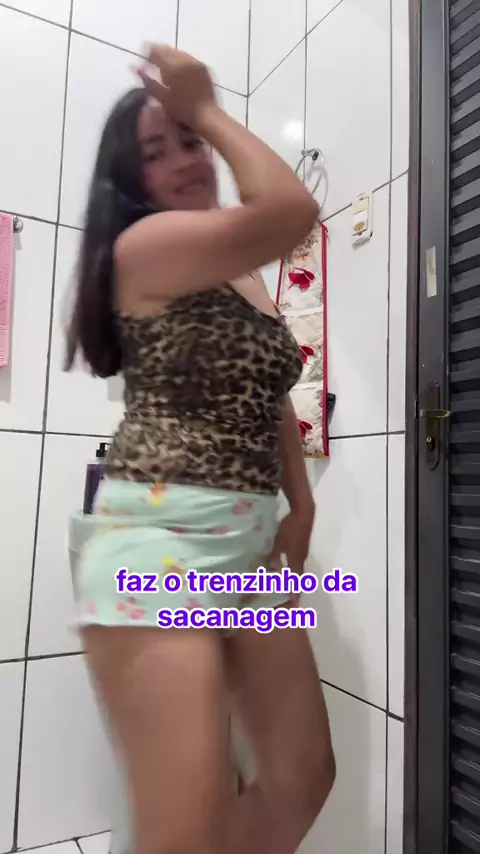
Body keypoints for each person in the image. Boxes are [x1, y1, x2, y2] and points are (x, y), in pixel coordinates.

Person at [66, 43, 335, 854]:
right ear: (129, 180)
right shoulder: (147, 247)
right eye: (158, 150)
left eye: (189, 140)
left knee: (300, 777)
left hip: (246, 553)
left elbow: (269, 391)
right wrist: (207, 109)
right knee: (184, 828)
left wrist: (302, 502)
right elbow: (292, 212)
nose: (185, 159)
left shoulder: (238, 274)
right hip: (159, 545)